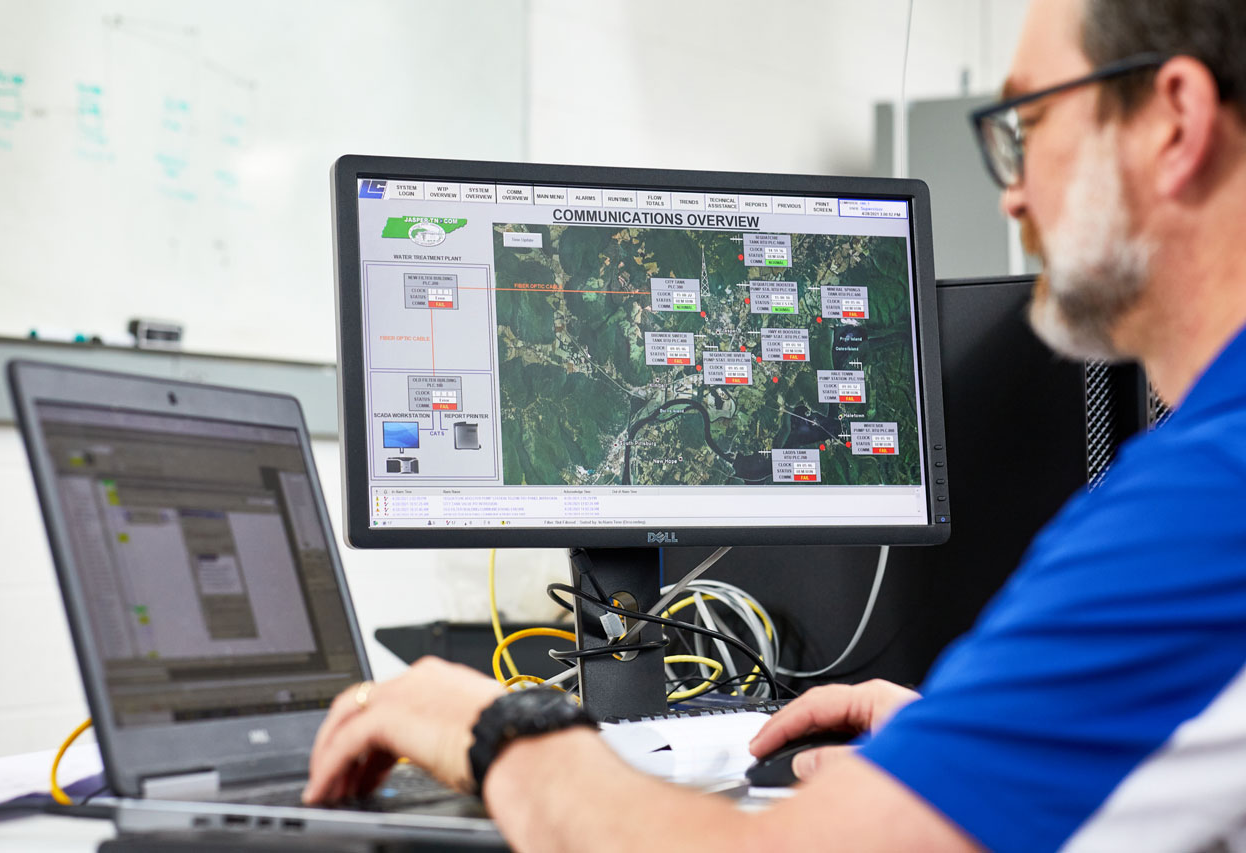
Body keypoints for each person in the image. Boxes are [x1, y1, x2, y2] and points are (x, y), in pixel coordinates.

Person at [304, 0, 1246, 848]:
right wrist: (958, 744)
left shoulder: (1210, 500)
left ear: (1174, 120)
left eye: (1027, 126)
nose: (1012, 191)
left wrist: (492, 730)